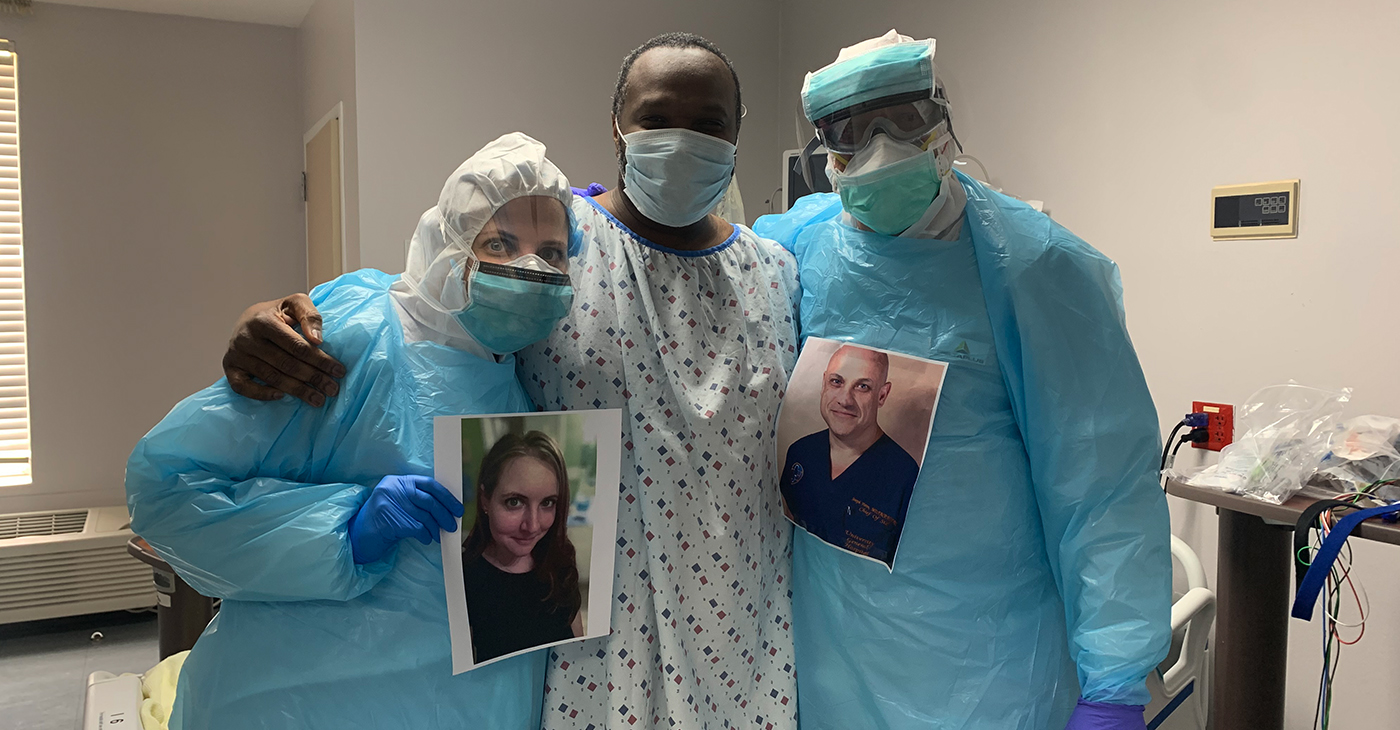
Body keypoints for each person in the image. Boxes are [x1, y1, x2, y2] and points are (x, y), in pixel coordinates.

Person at [212, 33, 799, 730]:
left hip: (742, 621)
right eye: (656, 118)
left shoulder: (777, 273)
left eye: (709, 124)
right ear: (617, 126)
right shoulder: (555, 244)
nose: (682, 139)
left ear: (738, 135)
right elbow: (423, 296)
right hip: (587, 632)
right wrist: (281, 315)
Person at [754, 31, 1171, 730]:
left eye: (905, 119)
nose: (884, 145)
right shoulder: (802, 246)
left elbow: (1101, 489)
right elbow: (713, 271)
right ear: (825, 149)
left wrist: (1114, 680)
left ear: (941, 120)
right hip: (835, 658)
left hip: (988, 666)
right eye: (855, 130)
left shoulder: (1035, 269)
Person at [124, 132, 579, 730]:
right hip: (295, 700)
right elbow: (168, 489)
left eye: (551, 252)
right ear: (448, 246)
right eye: (500, 243)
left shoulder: (526, 366)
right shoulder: (350, 337)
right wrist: (346, 530)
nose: (531, 269)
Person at [781, 345, 918, 566]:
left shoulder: (907, 477)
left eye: (862, 386)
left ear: (882, 395)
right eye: (836, 381)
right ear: (824, 383)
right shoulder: (801, 452)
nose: (845, 399)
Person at [462, 430, 583, 663]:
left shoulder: (560, 562)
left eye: (548, 503)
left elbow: (577, 653)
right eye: (514, 502)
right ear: (485, 499)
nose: (532, 526)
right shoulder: (464, 578)